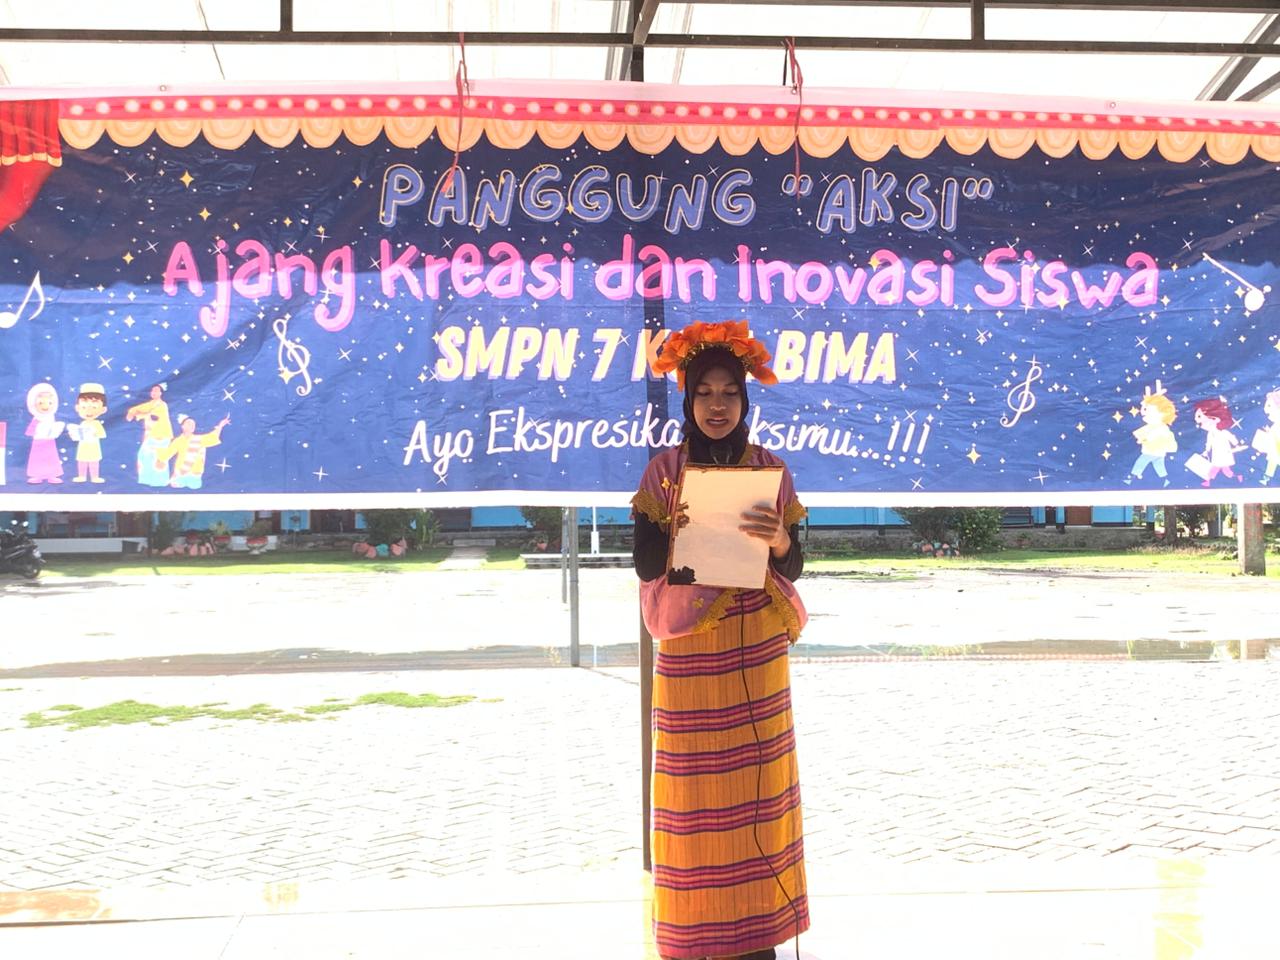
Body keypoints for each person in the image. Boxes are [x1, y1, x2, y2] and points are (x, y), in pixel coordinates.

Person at [631, 320, 809, 960]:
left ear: (744, 400)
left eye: (729, 392)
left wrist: (780, 541)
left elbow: (793, 565)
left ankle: (758, 937)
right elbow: (646, 564)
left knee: (760, 792)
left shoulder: (771, 469)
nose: (717, 405)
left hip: (758, 652)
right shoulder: (664, 471)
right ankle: (693, 935)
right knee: (693, 797)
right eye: (704, 392)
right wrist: (679, 528)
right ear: (687, 400)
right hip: (689, 656)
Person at [126, 384, 174, 487]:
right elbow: (137, 409)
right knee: (144, 456)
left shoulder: (162, 405)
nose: (154, 392)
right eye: (152, 391)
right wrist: (131, 412)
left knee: (160, 458)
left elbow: (154, 416)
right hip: (152, 435)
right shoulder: (150, 404)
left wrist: (139, 415)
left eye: (156, 391)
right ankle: (146, 479)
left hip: (162, 435)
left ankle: (160, 481)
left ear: (161, 393)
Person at [69, 383, 108, 483]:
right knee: (82, 461)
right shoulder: (82, 423)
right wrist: (74, 434)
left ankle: (95, 477)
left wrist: (94, 433)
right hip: (83, 447)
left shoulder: (96, 423)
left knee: (94, 462)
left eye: (94, 408)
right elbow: (78, 436)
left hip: (93, 447)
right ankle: (81, 476)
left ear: (103, 409)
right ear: (77, 408)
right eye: (84, 407)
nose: (88, 411)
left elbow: (102, 434)